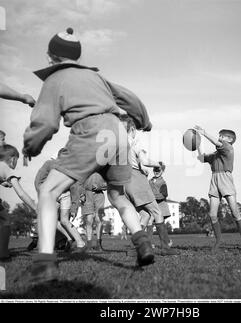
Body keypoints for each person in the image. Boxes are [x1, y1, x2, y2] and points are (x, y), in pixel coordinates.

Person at [22, 28, 154, 283]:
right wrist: (144, 121)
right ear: (78, 57)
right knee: (117, 195)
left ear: (51, 56)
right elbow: (129, 98)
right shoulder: (96, 78)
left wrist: (31, 147)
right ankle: (142, 242)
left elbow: (46, 124)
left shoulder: (54, 80)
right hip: (117, 132)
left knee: (48, 191)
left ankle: (45, 264)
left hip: (91, 130)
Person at [120, 115, 179, 256]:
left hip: (125, 182)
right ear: (133, 129)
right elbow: (144, 161)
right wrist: (157, 164)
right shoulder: (135, 143)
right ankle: (165, 247)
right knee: (157, 212)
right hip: (137, 180)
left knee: (144, 215)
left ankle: (136, 248)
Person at [194, 125, 241, 252]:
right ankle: (218, 241)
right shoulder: (215, 154)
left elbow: (216, 142)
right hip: (214, 180)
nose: (219, 138)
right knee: (212, 214)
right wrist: (198, 143)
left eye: (222, 136)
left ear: (230, 140)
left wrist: (204, 132)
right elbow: (201, 158)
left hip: (225, 179)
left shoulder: (228, 148)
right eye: (219, 136)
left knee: (235, 212)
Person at [33, 157, 86, 252]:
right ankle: (70, 239)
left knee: (64, 220)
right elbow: (38, 182)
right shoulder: (49, 164)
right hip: (54, 195)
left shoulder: (70, 170)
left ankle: (80, 243)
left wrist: (74, 208)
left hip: (65, 195)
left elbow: (74, 188)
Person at [0, 144, 37, 260]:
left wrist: (3, 183)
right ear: (12, 159)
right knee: (5, 220)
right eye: (17, 159)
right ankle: (3, 254)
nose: (16, 163)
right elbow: (21, 193)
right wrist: (35, 208)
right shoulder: (6, 168)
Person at [147, 164, 173, 248]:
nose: (156, 172)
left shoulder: (162, 182)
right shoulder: (150, 181)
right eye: (155, 170)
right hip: (152, 204)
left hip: (161, 205)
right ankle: (150, 243)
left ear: (162, 171)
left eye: (159, 170)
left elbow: (164, 194)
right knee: (149, 221)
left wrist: (154, 196)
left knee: (160, 224)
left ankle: (167, 241)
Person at [81, 173, 107, 251]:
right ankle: (89, 245)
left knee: (99, 220)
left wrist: (99, 186)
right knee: (89, 220)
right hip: (87, 194)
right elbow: (79, 180)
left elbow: (108, 183)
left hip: (99, 195)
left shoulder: (103, 168)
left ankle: (99, 244)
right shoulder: (86, 166)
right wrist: (81, 194)